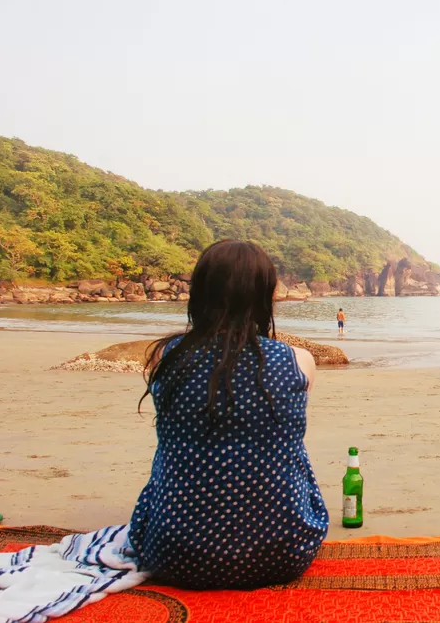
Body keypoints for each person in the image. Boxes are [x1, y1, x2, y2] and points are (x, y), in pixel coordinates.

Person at [129, 240, 328, 590]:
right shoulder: (297, 361)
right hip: (284, 553)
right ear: (263, 296)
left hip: (176, 555)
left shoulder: (167, 357)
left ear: (201, 293)